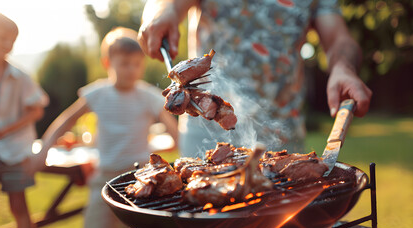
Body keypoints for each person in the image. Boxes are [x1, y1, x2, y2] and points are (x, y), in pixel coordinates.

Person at [137, 0, 372, 156]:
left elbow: (338, 38)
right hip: (205, 132)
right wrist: (159, 13)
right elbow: (166, 3)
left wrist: (344, 68)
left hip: (282, 136)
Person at [33, 27, 179, 228]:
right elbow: (66, 120)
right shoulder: (98, 94)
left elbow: (173, 129)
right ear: (108, 63)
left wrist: (185, 152)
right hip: (105, 179)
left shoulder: (149, 96)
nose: (132, 69)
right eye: (125, 64)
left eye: (137, 64)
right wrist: (44, 149)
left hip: (142, 178)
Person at [0, 12, 49, 228]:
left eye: (12, 41)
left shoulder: (20, 76)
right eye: (3, 38)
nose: (8, 45)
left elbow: (36, 109)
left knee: (18, 205)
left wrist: (6, 130)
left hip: (13, 151)